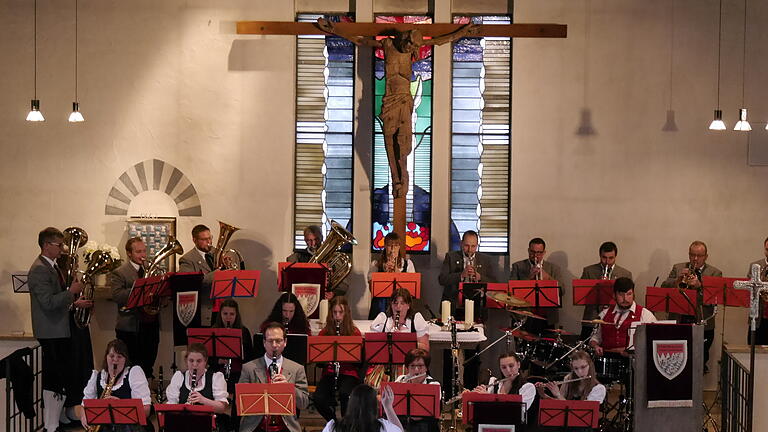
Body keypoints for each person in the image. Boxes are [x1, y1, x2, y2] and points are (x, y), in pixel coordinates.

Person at [316, 19, 477, 199]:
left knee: (404, 143)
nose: (411, 50)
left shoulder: (413, 47)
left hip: (404, 101)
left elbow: (441, 40)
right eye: (410, 46)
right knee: (389, 144)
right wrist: (336, 30)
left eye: (414, 47)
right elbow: (361, 41)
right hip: (390, 100)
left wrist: (463, 32)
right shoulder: (388, 45)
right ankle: (396, 180)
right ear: (405, 40)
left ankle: (403, 179)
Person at [29, 227, 93, 432]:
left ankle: (60, 417)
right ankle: (51, 424)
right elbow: (47, 303)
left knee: (63, 375)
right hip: (51, 332)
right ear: (46, 245)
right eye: (59, 245)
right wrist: (71, 292)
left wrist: (75, 303)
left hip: (60, 329)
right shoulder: (39, 268)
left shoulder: (53, 266)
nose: (63, 249)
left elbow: (58, 301)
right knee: (54, 377)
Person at [660, 240, 721, 373]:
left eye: (699, 256)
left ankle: (697, 392)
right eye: (692, 255)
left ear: (706, 256)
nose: (695, 259)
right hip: (679, 320)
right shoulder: (678, 268)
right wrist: (677, 280)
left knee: (699, 361)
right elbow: (664, 287)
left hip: (703, 323)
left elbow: (714, 299)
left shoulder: (714, 273)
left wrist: (700, 286)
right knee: (677, 360)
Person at [239, 322, 310, 432]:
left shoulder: (297, 369)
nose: (274, 345)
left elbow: (304, 403)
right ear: (264, 342)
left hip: (286, 428)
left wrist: (288, 388)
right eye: (270, 341)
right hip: (256, 427)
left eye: (278, 341)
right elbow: (240, 403)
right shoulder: (248, 368)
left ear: (285, 342)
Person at [109, 237, 160, 379]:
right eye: (138, 252)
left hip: (150, 324)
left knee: (148, 363)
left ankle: (147, 394)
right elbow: (117, 296)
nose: (143, 255)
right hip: (130, 326)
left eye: (144, 251)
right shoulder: (120, 272)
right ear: (129, 254)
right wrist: (139, 288)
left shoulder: (151, 269)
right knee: (131, 365)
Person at [80, 339, 151, 431]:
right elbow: (84, 404)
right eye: (112, 356)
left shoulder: (134, 373)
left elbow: (146, 410)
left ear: (125, 359)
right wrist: (84, 415)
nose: (115, 360)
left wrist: (121, 404)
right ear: (106, 357)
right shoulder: (98, 376)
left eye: (120, 356)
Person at [313, 296, 363, 422]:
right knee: (318, 398)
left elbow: (359, 360)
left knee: (346, 394)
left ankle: (346, 424)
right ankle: (333, 422)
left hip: (349, 373)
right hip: (330, 373)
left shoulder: (354, 332)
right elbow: (319, 361)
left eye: (341, 312)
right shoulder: (324, 332)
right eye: (335, 312)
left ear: (346, 313)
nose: (338, 316)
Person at [589, 277, 657, 357]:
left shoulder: (645, 315)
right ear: (614, 295)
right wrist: (595, 346)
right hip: (607, 360)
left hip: (633, 363)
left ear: (633, 294)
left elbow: (654, 341)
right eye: (621, 295)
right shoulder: (604, 314)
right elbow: (595, 338)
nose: (625, 299)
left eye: (629, 294)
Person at [510, 237, 563, 335]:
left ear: (544, 252)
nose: (535, 255)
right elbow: (511, 292)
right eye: (532, 252)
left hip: (547, 317)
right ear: (528, 250)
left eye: (539, 252)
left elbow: (562, 291)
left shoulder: (554, 269)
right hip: (524, 316)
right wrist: (529, 277)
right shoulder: (517, 266)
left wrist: (547, 277)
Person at [579, 241, 633, 338]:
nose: (607, 261)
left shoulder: (625, 274)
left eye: (611, 258)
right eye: (604, 257)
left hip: (614, 319)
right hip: (592, 318)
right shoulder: (588, 271)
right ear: (600, 256)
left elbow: (628, 299)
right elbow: (581, 296)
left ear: (615, 256)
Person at [438, 230, 498, 314]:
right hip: (454, 305)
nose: (470, 250)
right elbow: (442, 279)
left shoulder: (485, 260)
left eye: (473, 246)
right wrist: (461, 275)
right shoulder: (451, 257)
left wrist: (480, 277)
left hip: (478, 306)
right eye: (466, 245)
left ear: (477, 245)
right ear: (461, 243)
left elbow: (494, 282)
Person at [287, 225, 349, 299]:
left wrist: (333, 293)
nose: (313, 244)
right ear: (305, 240)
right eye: (309, 240)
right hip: (303, 298)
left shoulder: (333, 257)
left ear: (322, 238)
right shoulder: (297, 257)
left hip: (325, 299)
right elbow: (288, 281)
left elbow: (344, 285)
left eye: (316, 239)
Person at [165, 343, 229, 413]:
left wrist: (203, 400)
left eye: (199, 361)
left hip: (208, 422)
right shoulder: (179, 377)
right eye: (191, 361)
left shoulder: (215, 378)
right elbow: (171, 406)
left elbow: (221, 409)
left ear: (205, 361)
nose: (194, 365)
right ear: (186, 360)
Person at [369, 232, 416, 319]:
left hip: (400, 306)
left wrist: (397, 272)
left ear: (399, 247)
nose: (392, 249)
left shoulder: (408, 264)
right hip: (380, 307)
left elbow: (410, 293)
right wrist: (385, 274)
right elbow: (372, 290)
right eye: (390, 245)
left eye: (395, 246)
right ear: (385, 246)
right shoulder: (375, 264)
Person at [178, 224, 218, 325]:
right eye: (204, 239)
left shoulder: (217, 253)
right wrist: (217, 274)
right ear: (194, 240)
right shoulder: (187, 260)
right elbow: (190, 284)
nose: (209, 242)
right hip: (204, 309)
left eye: (210, 238)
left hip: (222, 309)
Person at [320, 384, 403, 432]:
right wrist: (388, 407)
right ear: (374, 406)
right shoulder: (383, 427)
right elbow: (399, 430)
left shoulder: (333, 427)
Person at [393, 349, 440, 432]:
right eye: (412, 366)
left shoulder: (433, 385)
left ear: (426, 368)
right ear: (407, 367)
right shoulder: (400, 380)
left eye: (420, 366)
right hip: (403, 425)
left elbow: (430, 414)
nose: (416, 370)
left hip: (425, 427)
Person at [535, 350, 606, 403]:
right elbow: (560, 404)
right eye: (576, 368)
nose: (580, 372)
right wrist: (543, 395)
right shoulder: (568, 378)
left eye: (583, 367)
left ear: (590, 365)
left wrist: (558, 395)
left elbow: (580, 412)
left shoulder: (598, 388)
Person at [746, 237, 768, 345]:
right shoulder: (755, 266)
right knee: (753, 347)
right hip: (758, 317)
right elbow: (749, 289)